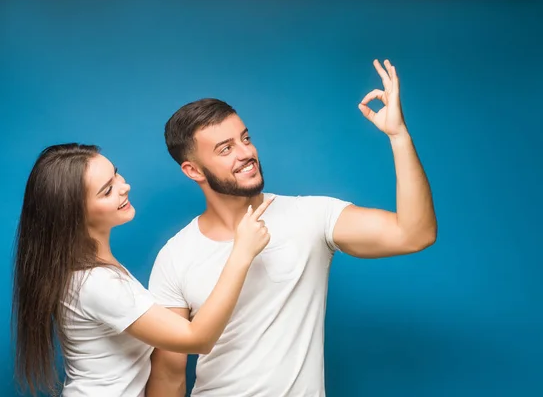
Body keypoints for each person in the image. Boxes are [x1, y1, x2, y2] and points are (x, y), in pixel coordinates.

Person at [146, 58, 437, 396]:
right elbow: (168, 373)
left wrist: (398, 136)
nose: (246, 153)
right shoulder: (176, 255)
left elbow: (415, 234)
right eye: (226, 149)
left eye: (245, 138)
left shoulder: (312, 216)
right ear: (193, 171)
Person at [11, 143, 275, 397]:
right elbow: (198, 339)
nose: (125, 187)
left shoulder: (90, 271)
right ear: (75, 213)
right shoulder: (96, 282)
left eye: (115, 174)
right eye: (107, 191)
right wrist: (241, 254)